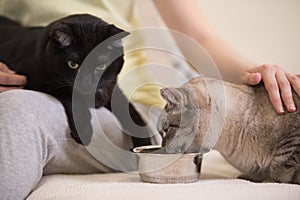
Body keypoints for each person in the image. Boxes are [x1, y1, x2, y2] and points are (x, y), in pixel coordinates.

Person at [0, 0, 299, 199]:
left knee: (17, 112)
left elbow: (199, 38)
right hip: (29, 83)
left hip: (120, 110)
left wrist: (256, 74)